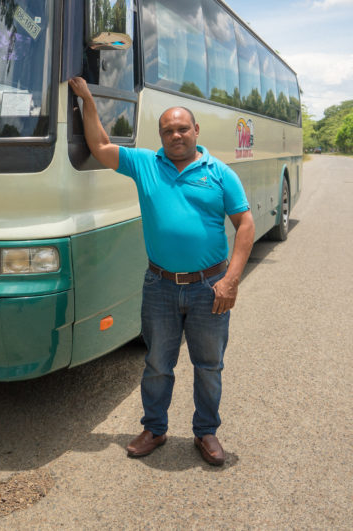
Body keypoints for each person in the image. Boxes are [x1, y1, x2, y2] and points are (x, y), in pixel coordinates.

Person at [68, 76, 255, 467]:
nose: (176, 135)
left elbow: (246, 225)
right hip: (160, 286)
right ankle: (155, 427)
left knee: (208, 366)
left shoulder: (220, 173)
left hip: (209, 288)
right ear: (161, 135)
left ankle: (206, 432)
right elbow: (100, 146)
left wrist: (231, 280)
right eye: (168, 130)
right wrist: (87, 99)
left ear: (196, 131)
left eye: (182, 128)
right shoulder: (144, 164)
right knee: (157, 363)